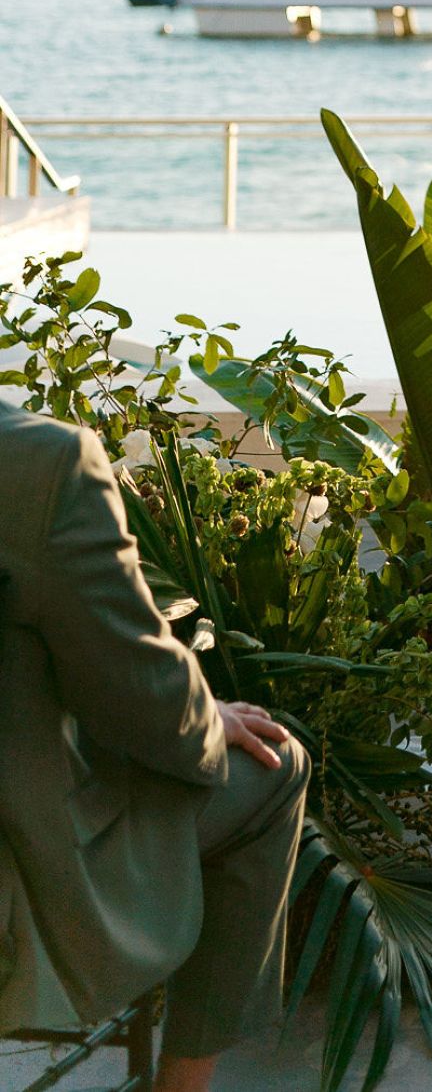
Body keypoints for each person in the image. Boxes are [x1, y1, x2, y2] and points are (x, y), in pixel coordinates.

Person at [0, 402, 309, 1092]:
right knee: (277, 763)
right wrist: (209, 717)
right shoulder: (35, 462)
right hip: (22, 878)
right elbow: (138, 693)